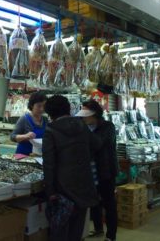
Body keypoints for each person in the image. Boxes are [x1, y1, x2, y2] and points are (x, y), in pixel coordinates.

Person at [42, 95, 100, 241]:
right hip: (84, 185)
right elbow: (97, 144)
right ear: (68, 108)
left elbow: (49, 164)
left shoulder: (51, 130)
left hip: (63, 189)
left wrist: (50, 191)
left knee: (60, 232)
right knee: (76, 231)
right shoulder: (81, 125)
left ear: (50, 113)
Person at [76, 100, 118, 241]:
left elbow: (98, 144)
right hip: (90, 172)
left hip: (106, 172)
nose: (83, 118)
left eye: (85, 115)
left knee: (109, 204)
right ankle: (98, 229)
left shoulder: (108, 127)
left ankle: (111, 236)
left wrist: (83, 133)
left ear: (94, 114)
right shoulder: (86, 127)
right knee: (94, 203)